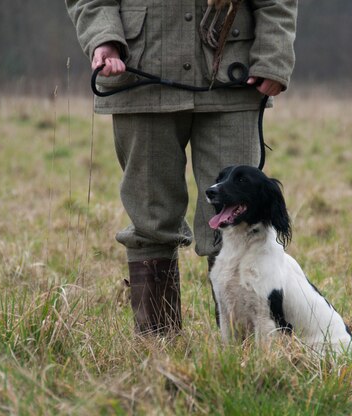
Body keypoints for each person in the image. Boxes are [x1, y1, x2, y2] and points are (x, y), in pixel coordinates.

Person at [66, 0, 297, 334]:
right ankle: (158, 348)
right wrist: (104, 37)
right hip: (138, 76)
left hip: (233, 81)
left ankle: (246, 355)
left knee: (242, 220)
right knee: (150, 220)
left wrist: (274, 55)